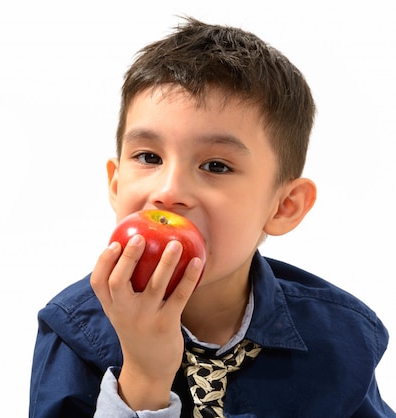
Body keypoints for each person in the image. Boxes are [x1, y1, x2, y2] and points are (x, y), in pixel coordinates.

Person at [29, 17, 395, 417]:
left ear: (284, 206)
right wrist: (145, 377)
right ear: (116, 185)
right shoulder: (73, 328)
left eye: (216, 166)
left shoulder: (340, 336)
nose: (168, 191)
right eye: (149, 157)